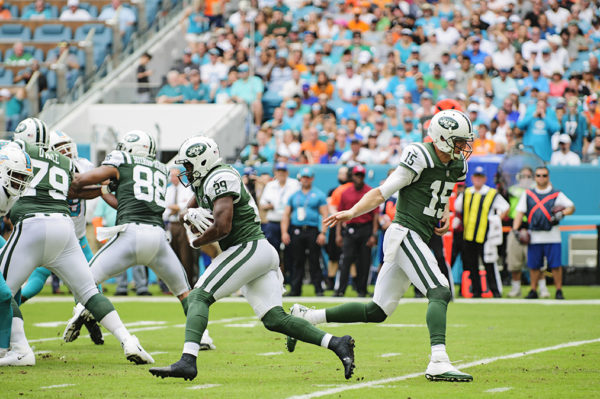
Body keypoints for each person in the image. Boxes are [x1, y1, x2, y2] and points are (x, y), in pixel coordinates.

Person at [286, 110, 474, 382]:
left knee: (378, 311)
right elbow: (383, 191)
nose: (463, 147)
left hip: (417, 236)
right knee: (440, 290)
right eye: (458, 141)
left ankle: (306, 316)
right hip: (404, 232)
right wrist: (352, 212)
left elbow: (443, 192)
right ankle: (438, 361)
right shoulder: (420, 154)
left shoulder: (457, 165)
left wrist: (443, 214)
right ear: (442, 138)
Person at [148, 136, 355, 381]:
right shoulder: (205, 181)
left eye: (190, 166)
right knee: (275, 319)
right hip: (255, 251)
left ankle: (187, 360)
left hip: (248, 247)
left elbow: (223, 227)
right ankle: (337, 343)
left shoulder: (220, 177)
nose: (187, 171)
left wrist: (197, 240)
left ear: (203, 161)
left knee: (198, 296)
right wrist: (189, 217)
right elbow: (191, 211)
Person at [1, 118, 153, 365]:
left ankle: (19, 349)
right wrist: (105, 188)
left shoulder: (16, 150)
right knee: (90, 293)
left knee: (5, 290)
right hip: (64, 227)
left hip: (30, 225)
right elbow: (76, 189)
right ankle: (128, 340)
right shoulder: (62, 161)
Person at [64, 130, 214, 350]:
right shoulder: (161, 169)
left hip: (130, 234)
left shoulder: (122, 161)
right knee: (184, 292)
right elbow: (123, 202)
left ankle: (82, 311)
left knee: (84, 280)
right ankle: (204, 336)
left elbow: (81, 181)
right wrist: (106, 189)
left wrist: (75, 180)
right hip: (157, 238)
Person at [19, 131, 109, 340]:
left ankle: (92, 320)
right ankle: (12, 305)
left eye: (68, 145)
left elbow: (89, 183)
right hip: (61, 235)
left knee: (92, 280)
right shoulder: (55, 167)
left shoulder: (83, 165)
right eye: (61, 148)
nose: (67, 151)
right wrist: (103, 189)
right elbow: (74, 191)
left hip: (75, 235)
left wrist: (104, 184)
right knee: (41, 280)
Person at [513, 166, 575, 300]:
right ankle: (533, 290)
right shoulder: (528, 194)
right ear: (535, 177)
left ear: (548, 177)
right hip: (534, 235)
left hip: (552, 234)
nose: (541, 178)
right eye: (539, 175)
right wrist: (515, 229)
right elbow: (520, 212)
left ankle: (558, 290)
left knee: (555, 265)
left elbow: (571, 207)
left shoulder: (556, 194)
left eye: (544, 175)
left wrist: (562, 213)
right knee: (534, 265)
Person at [0, 144, 35, 366]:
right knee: (4, 293)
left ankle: (7, 346)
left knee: (15, 277)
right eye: (16, 176)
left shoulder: (9, 193)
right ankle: (4, 348)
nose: (20, 182)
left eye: (24, 177)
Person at [455, 166, 509, 298]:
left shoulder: (491, 193)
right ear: (472, 178)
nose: (478, 179)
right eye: (476, 177)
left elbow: (505, 208)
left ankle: (496, 291)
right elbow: (457, 207)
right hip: (468, 235)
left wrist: (496, 220)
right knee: (471, 264)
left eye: (481, 177)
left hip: (486, 235)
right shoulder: (467, 193)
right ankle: (476, 291)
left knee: (489, 263)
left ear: (484, 179)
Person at [281, 167, 328, 296]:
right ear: (300, 179)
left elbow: (325, 215)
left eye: (307, 177)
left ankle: (318, 288)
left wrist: (323, 232)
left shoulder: (318, 195)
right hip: (296, 230)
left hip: (312, 230)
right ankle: (296, 289)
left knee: (315, 260)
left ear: (312, 178)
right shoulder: (294, 196)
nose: (305, 180)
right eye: (303, 177)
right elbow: (286, 215)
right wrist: (284, 232)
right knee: (297, 260)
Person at [334, 165, 378, 297]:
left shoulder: (370, 191)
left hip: (366, 228)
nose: (359, 177)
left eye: (361, 175)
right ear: (352, 176)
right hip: (350, 229)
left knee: (364, 261)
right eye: (357, 175)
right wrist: (338, 234)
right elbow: (340, 214)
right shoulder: (345, 193)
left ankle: (362, 290)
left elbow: (375, 215)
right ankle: (340, 290)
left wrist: (374, 234)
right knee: (346, 259)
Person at [258, 162, 299, 278]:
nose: (281, 173)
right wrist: (269, 206)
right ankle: (273, 277)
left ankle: (290, 278)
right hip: (273, 222)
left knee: (290, 252)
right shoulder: (271, 185)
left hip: (289, 222)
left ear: (287, 172)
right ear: (275, 173)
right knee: (272, 252)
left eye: (283, 171)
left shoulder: (294, 184)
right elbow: (262, 204)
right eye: (279, 171)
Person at [506, 167, 535, 298]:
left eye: (528, 176)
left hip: (532, 227)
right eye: (523, 176)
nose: (526, 179)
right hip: (516, 227)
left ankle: (540, 287)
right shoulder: (512, 190)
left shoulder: (535, 190)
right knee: (514, 260)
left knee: (536, 261)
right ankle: (516, 287)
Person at [164, 167, 196, 285]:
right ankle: (175, 284)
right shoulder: (168, 190)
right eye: (171, 176)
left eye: (175, 176)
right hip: (171, 224)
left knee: (186, 255)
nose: (173, 178)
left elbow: (188, 205)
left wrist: (176, 207)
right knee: (173, 255)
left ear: (181, 176)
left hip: (184, 225)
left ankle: (188, 282)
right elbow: (165, 209)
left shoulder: (187, 189)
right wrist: (175, 208)